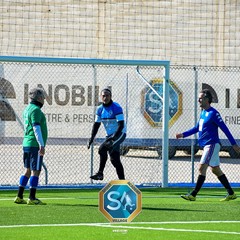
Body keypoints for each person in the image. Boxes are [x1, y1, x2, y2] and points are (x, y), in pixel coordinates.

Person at [176, 89, 240, 201]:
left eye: (200, 98)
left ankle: (193, 195)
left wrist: (234, 144)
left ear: (207, 99)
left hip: (212, 144)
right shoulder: (203, 112)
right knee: (215, 170)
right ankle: (231, 193)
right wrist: (183, 134)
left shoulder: (213, 113)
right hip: (207, 145)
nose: (198, 100)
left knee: (202, 168)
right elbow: (197, 128)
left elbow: (225, 129)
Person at [14, 87, 48, 205]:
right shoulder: (36, 110)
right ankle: (32, 197)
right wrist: (41, 145)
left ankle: (19, 196)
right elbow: (36, 127)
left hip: (27, 143)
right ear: (38, 97)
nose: (44, 99)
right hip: (34, 144)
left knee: (27, 170)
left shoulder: (27, 109)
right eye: (43, 96)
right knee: (36, 171)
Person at [87, 88, 126, 180]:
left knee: (102, 149)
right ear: (101, 97)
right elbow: (96, 124)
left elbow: (121, 125)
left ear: (110, 96)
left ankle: (100, 173)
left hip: (120, 133)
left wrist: (113, 137)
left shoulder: (116, 107)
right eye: (103, 96)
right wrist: (91, 138)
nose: (105, 97)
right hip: (110, 135)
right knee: (114, 160)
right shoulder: (100, 109)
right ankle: (123, 181)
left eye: (107, 95)